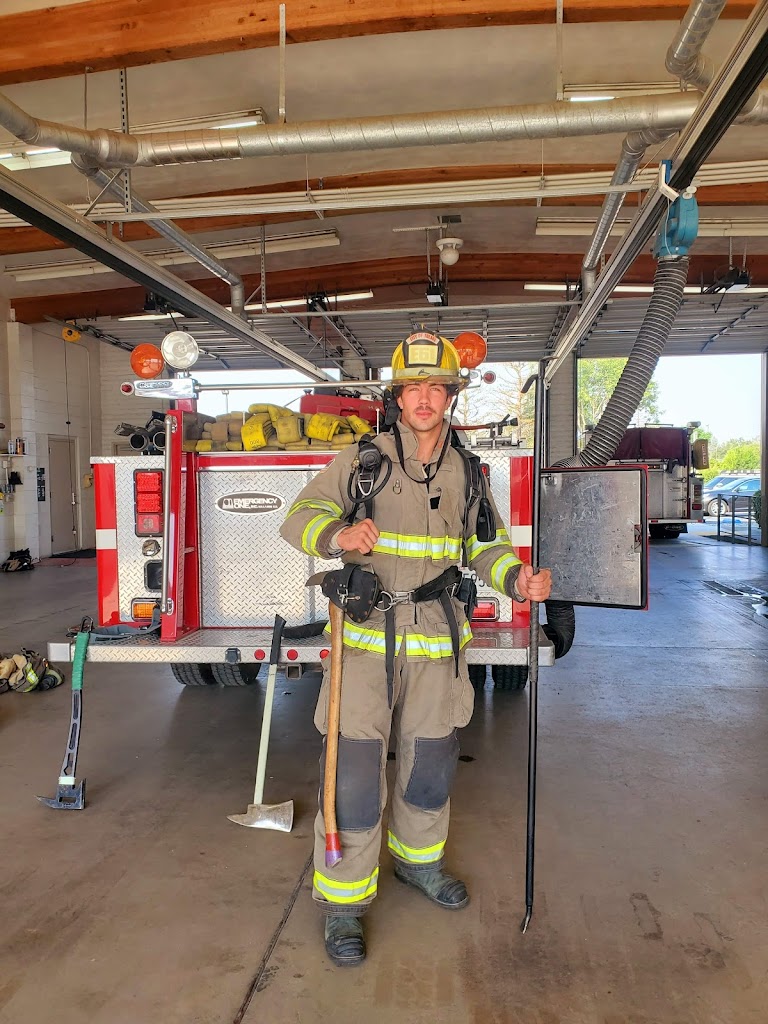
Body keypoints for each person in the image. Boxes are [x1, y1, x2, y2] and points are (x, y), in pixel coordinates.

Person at [280, 332, 552, 967]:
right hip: (365, 645)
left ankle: (418, 863)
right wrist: (339, 533)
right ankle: (343, 902)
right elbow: (299, 518)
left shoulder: (469, 471)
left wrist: (517, 578)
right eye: (413, 387)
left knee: (430, 765)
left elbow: (486, 545)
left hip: (437, 646)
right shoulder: (363, 460)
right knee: (352, 775)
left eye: (435, 387)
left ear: (450, 396)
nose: (424, 399)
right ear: (397, 396)